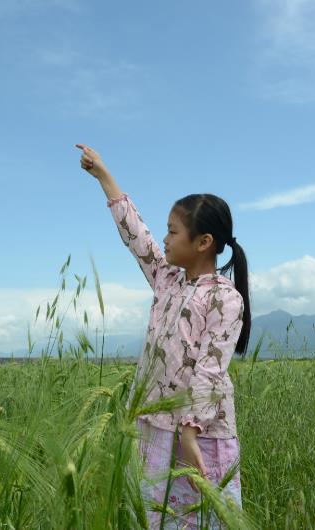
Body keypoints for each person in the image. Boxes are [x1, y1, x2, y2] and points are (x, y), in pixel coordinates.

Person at [76, 143, 252, 528]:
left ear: (203, 242)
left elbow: (210, 370)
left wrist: (190, 433)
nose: (165, 239)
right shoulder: (167, 279)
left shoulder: (225, 298)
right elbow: (137, 239)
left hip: (201, 432)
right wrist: (104, 176)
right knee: (155, 514)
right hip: (154, 425)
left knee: (203, 515)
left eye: (173, 232)